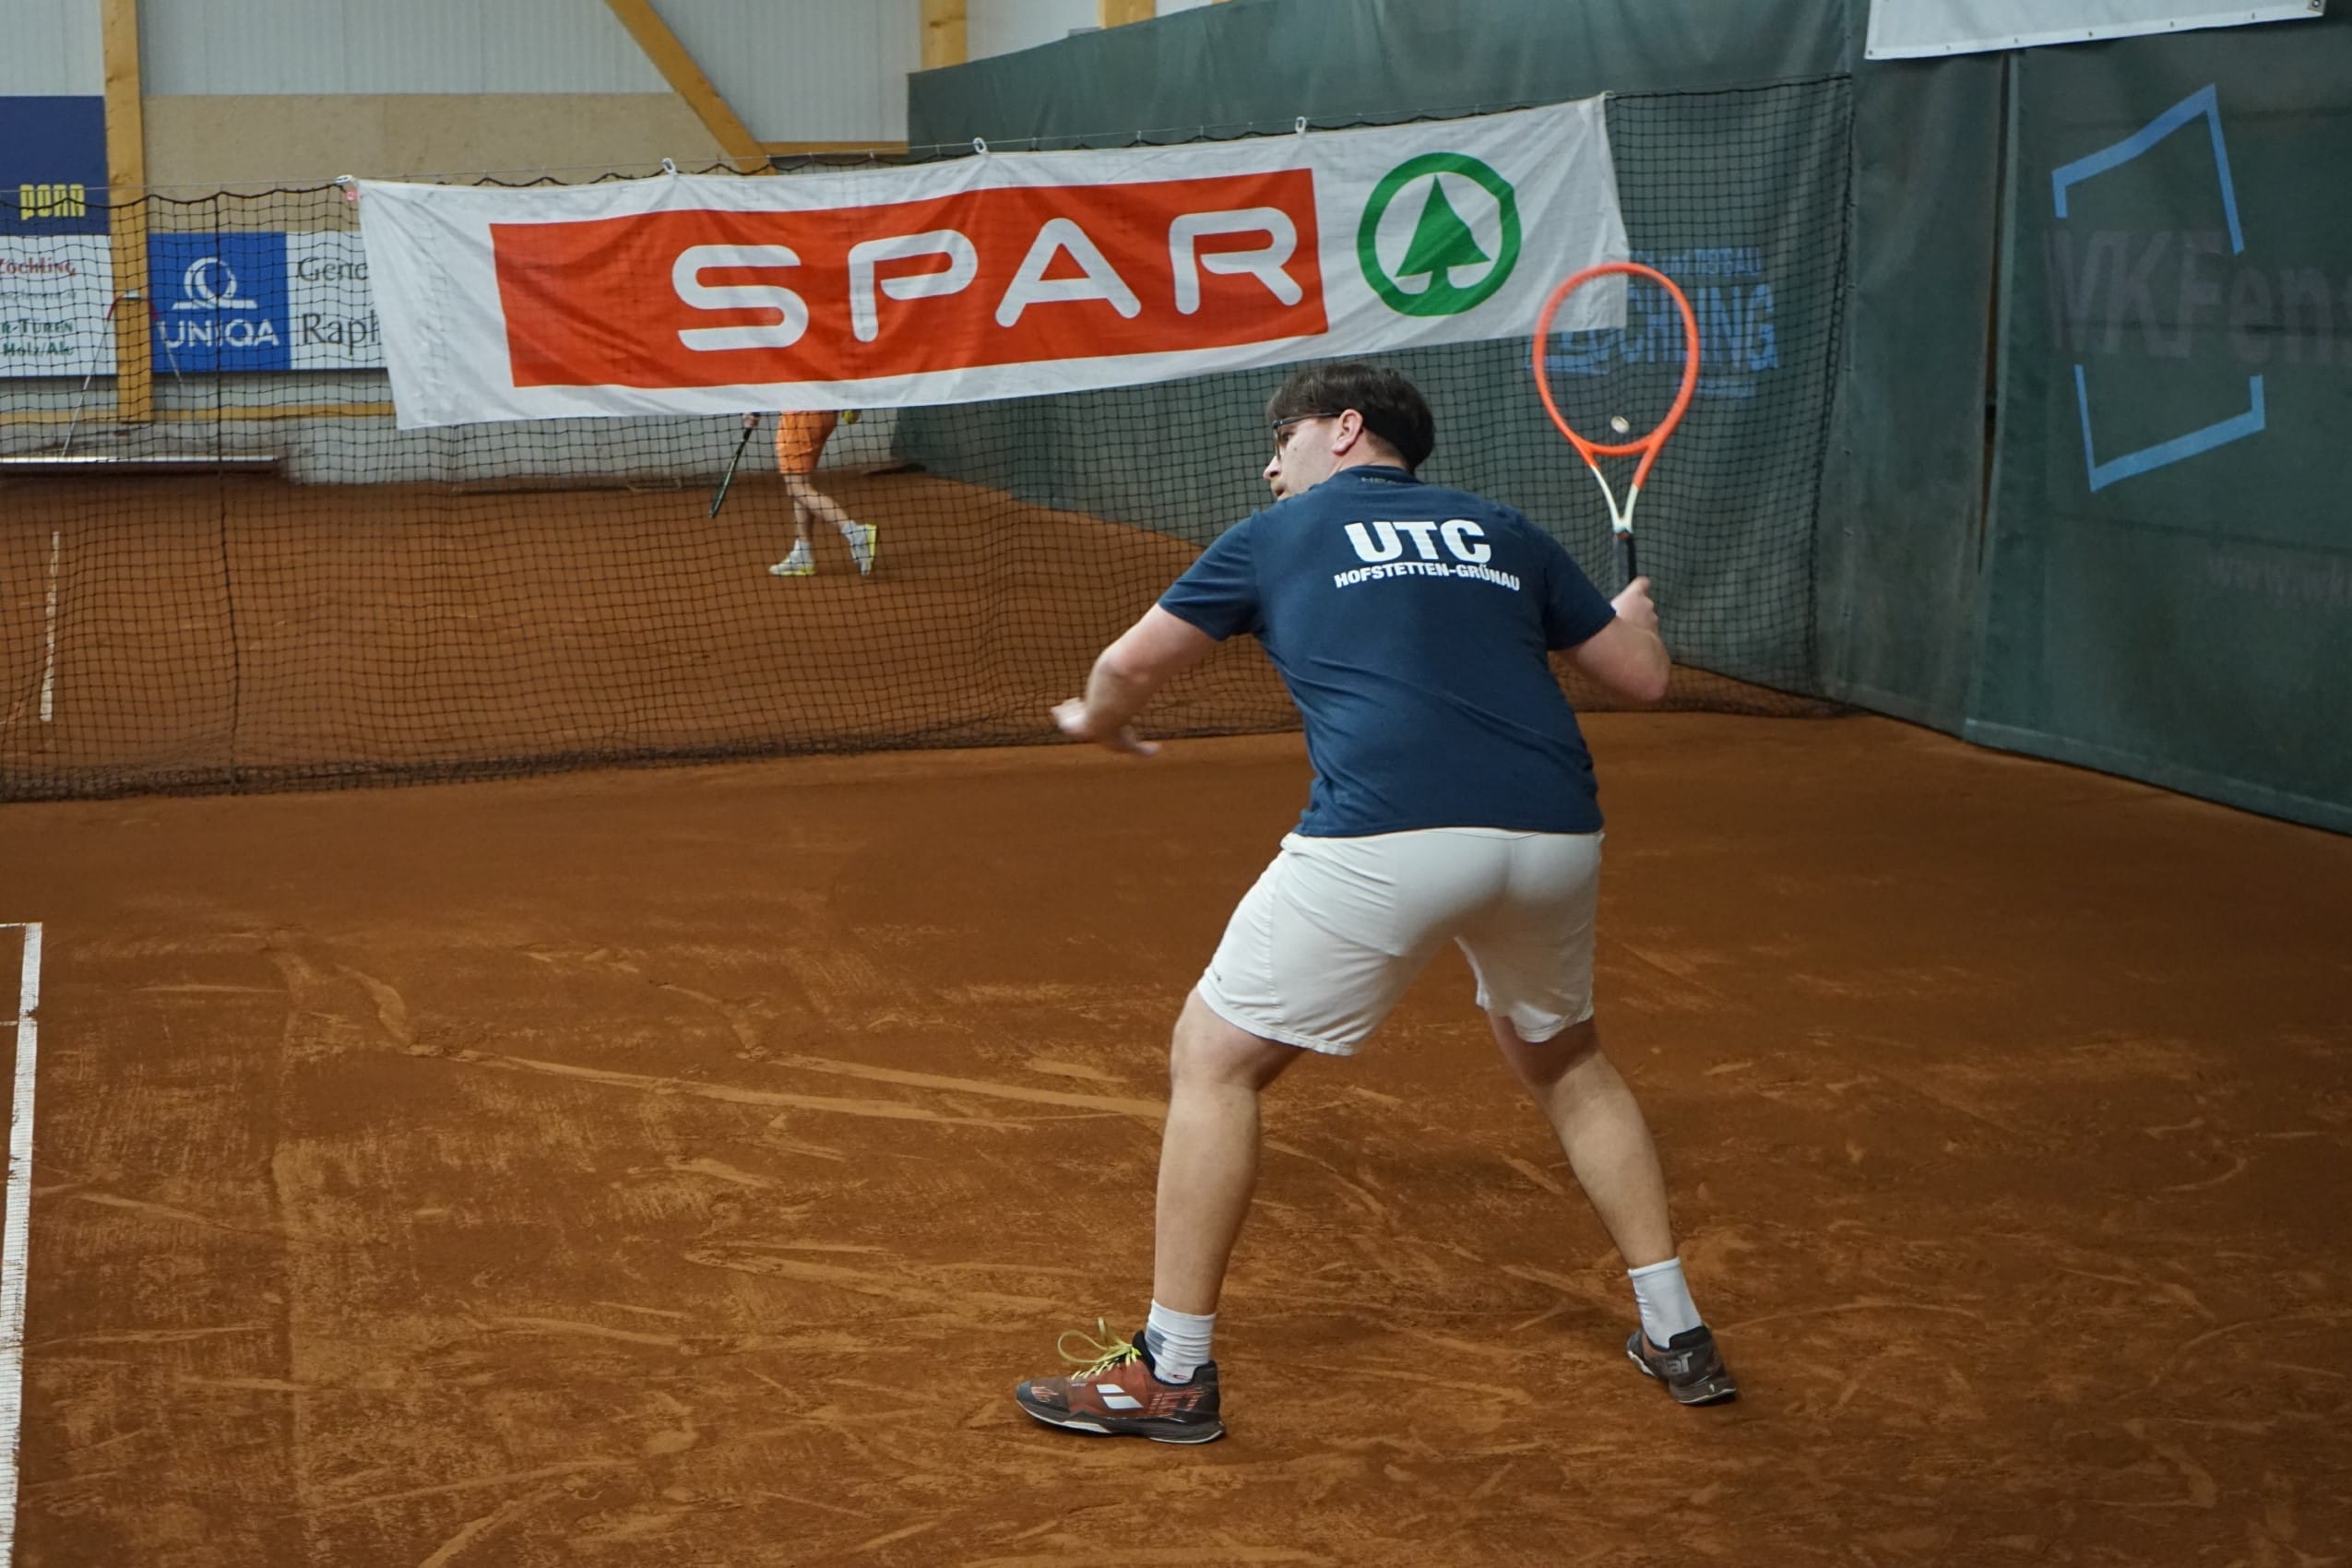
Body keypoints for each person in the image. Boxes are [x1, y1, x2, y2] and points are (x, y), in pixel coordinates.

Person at [1014, 362, 1735, 1445]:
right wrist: (1636, 618)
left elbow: (1127, 663)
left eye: (1283, 438)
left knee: (1214, 1056)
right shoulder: (1504, 528)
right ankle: (1678, 1330)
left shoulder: (1274, 535)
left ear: (1345, 428)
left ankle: (1172, 1372)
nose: (1271, 466)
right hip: (1554, 835)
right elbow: (1642, 677)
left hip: (1391, 833)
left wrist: (1097, 721)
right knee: (1568, 1060)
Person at [759, 410, 877, 577]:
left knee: (797, 487)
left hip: (799, 417)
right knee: (801, 486)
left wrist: (754, 410)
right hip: (823, 415)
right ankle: (802, 553)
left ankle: (856, 533)